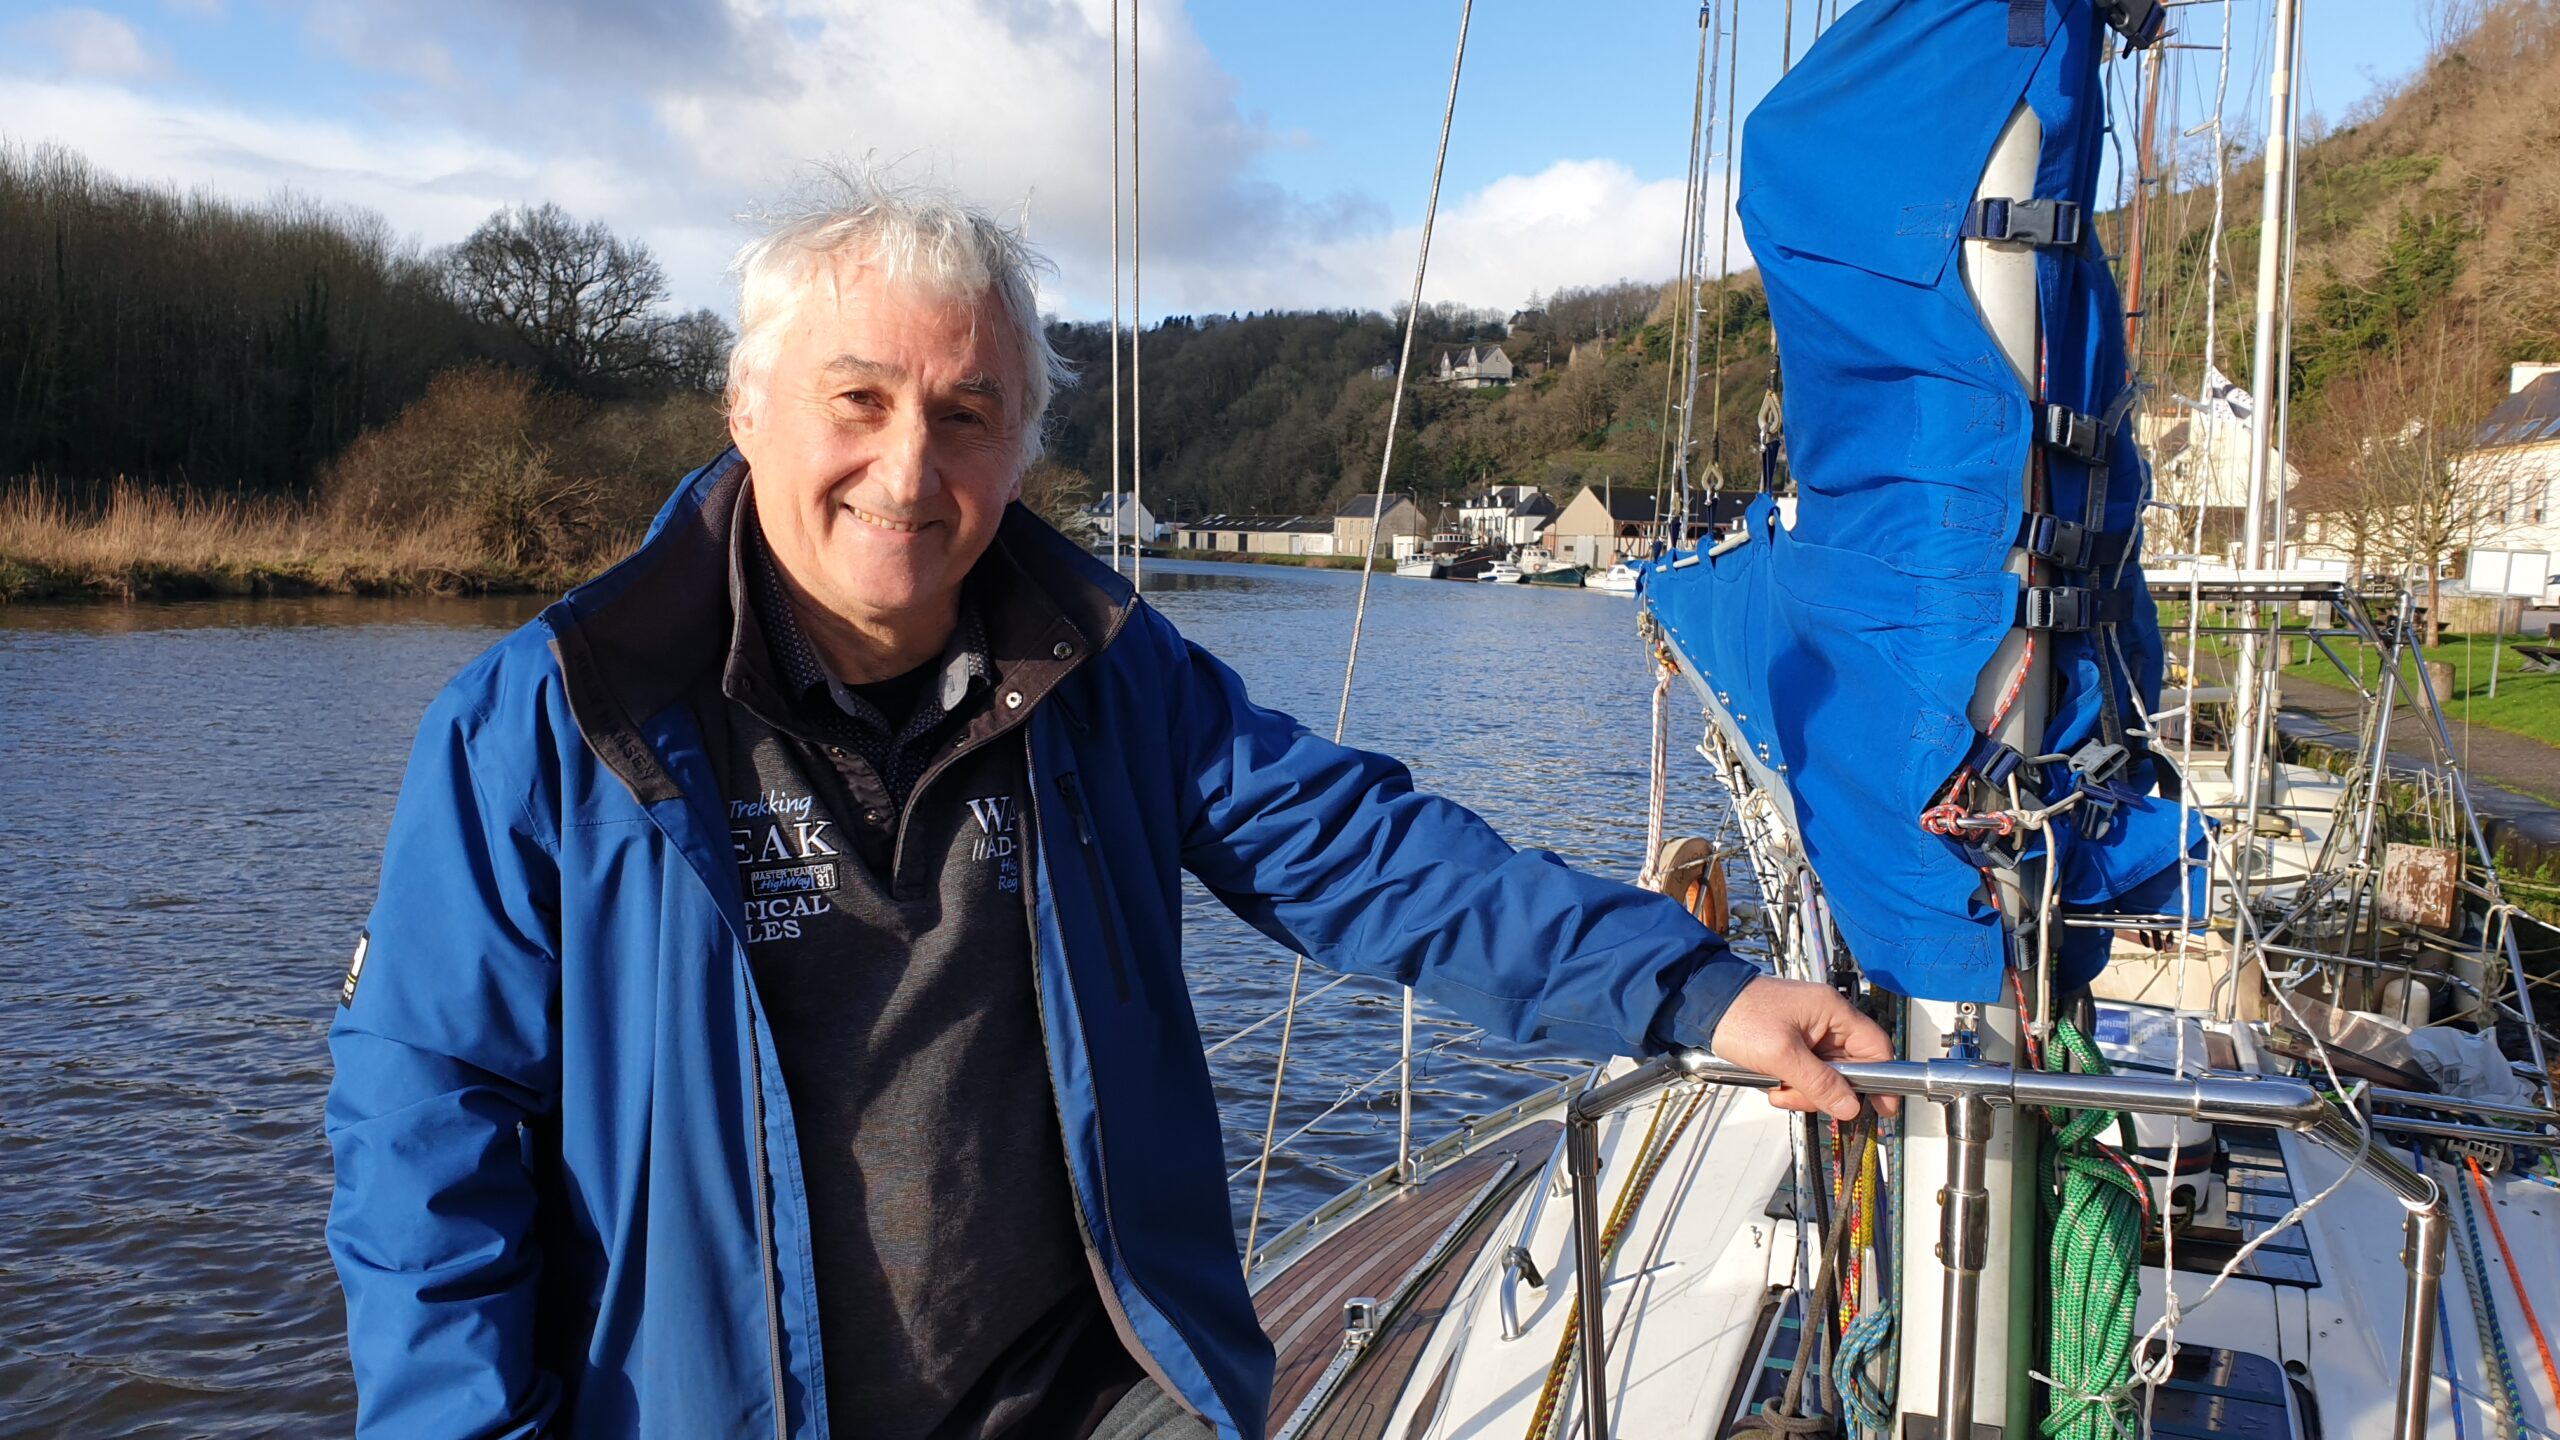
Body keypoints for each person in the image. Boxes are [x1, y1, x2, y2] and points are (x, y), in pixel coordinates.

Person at [324, 171, 1892, 1440]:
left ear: (1020, 450)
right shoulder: (560, 717)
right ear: (746, 410)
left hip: (1095, 1391)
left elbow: (1365, 856)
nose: (905, 465)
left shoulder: (1100, 674)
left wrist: (1696, 989)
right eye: (856, 399)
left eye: (965, 413)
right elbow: (425, 1135)